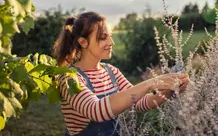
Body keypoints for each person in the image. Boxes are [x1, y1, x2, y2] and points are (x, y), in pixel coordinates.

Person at [52, 11, 189, 136]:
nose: (111, 42)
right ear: (83, 42)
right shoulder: (69, 78)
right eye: (103, 37)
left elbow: (140, 102)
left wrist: (169, 90)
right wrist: (151, 83)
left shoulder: (111, 71)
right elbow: (96, 111)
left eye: (110, 36)